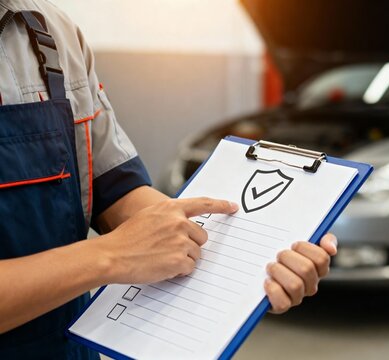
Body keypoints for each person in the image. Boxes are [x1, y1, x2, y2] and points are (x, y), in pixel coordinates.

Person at [0, 1, 337, 358]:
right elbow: (121, 248)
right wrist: (110, 256)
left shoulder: (50, 30)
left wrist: (250, 267)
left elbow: (116, 190)